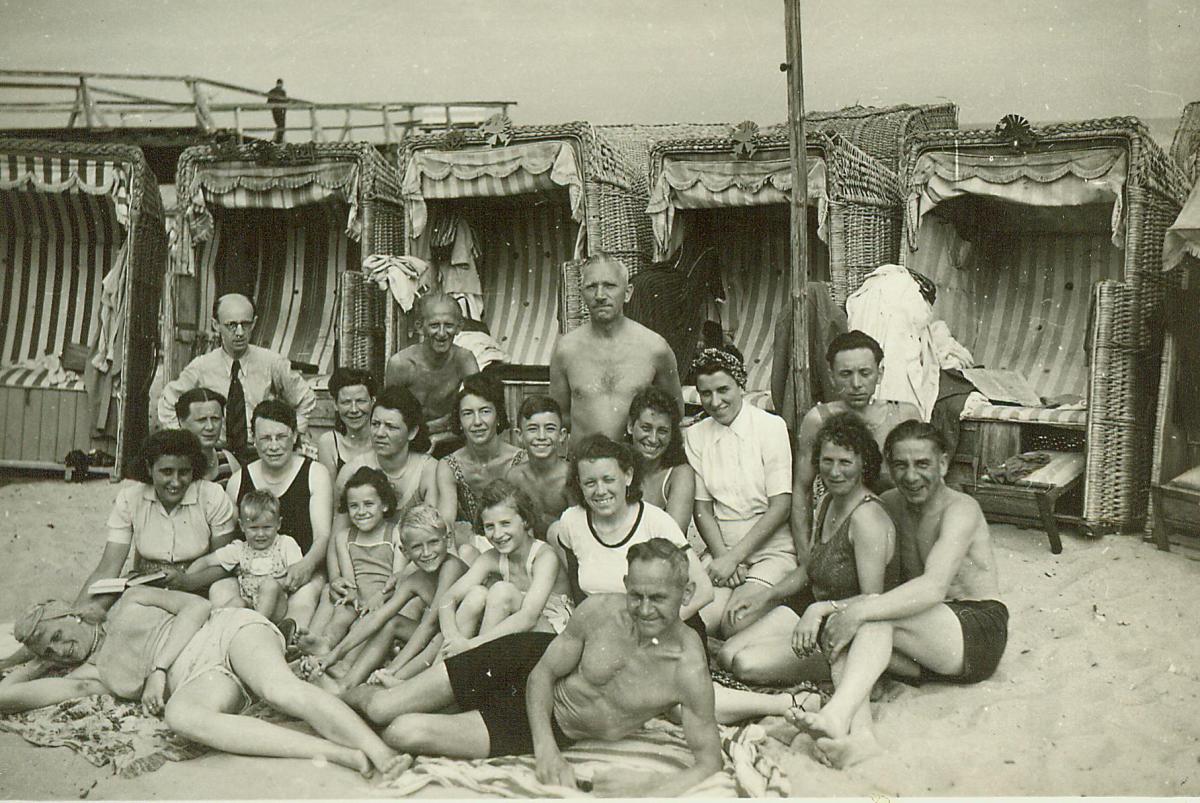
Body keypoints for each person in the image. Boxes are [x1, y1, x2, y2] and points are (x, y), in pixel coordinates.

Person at [346, 539, 723, 798]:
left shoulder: (687, 668)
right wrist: (545, 751)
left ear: (685, 595)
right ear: (625, 584)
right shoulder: (598, 612)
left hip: (556, 720)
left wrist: (646, 791)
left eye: (658, 598)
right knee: (381, 708)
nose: (643, 609)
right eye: (635, 595)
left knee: (402, 732)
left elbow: (709, 761)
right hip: (523, 660)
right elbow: (542, 674)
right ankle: (339, 695)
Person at [787, 420, 1007, 769]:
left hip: (975, 632)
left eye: (923, 464)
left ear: (944, 465)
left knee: (872, 616)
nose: (911, 475)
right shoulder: (889, 503)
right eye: (901, 465)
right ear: (889, 466)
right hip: (923, 647)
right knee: (850, 631)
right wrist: (841, 611)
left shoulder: (960, 509)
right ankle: (862, 740)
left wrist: (851, 609)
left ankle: (837, 714)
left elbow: (934, 587)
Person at [1, 590, 408, 778]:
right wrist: (36, 662)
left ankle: (380, 751)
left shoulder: (131, 602)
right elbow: (8, 697)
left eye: (57, 636)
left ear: (72, 616)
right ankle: (338, 753)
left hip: (226, 632)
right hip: (201, 677)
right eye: (50, 652)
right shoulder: (94, 675)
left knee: (278, 689)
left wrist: (158, 670)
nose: (61, 650)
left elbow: (198, 606)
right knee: (181, 715)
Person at [717, 414, 897, 685]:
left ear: (863, 465)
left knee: (744, 663)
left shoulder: (867, 518)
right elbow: (811, 568)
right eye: (827, 461)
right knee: (727, 653)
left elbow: (874, 599)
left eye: (845, 462)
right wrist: (766, 596)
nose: (835, 472)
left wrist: (820, 609)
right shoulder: (828, 501)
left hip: (848, 630)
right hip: (815, 614)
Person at [549, 434, 712, 633]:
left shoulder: (655, 522)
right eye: (590, 483)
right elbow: (578, 589)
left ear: (628, 476)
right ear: (579, 484)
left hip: (663, 629)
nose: (600, 491)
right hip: (608, 633)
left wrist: (645, 631)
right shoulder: (571, 522)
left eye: (608, 479)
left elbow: (704, 591)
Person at [685, 348, 796, 637]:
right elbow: (702, 510)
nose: (715, 402)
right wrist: (723, 557)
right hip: (721, 550)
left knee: (736, 621)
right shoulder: (696, 435)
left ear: (741, 385)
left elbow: (781, 506)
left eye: (723, 390)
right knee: (697, 622)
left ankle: (783, 621)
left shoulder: (771, 427)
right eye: (705, 393)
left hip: (771, 550)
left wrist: (735, 558)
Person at [304, 505, 467, 692]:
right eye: (416, 546)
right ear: (404, 551)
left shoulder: (450, 567)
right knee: (391, 622)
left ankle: (393, 678)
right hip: (433, 636)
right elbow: (377, 617)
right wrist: (333, 655)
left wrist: (393, 669)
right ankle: (345, 683)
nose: (427, 552)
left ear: (447, 540)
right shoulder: (414, 579)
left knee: (435, 637)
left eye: (433, 542)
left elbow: (430, 625)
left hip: (458, 637)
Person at [75, 430, 237, 616]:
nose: (175, 482)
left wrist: (187, 581)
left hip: (199, 581)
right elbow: (109, 566)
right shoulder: (130, 498)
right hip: (145, 581)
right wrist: (74, 613)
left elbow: (223, 563)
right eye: (166, 472)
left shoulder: (212, 496)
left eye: (184, 472)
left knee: (221, 601)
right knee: (91, 611)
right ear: (149, 468)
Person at [791, 330, 921, 555]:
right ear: (831, 376)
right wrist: (805, 553)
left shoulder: (903, 415)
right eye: (845, 374)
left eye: (865, 373)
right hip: (842, 531)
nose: (856, 383)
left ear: (879, 374)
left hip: (898, 530)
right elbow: (802, 489)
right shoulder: (819, 419)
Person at [158, 293, 317, 458]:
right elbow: (168, 401)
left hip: (262, 454)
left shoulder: (272, 362)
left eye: (245, 324)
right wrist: (183, 442)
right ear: (216, 325)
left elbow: (305, 398)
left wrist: (292, 434)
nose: (240, 332)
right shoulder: (202, 366)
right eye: (231, 325)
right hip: (218, 455)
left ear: (254, 323)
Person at [549, 253, 682, 445]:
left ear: (628, 293)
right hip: (585, 468)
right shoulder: (566, 350)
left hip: (637, 467)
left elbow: (674, 413)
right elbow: (559, 417)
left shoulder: (655, 348)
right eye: (591, 287)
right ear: (581, 293)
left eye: (610, 286)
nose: (600, 295)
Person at [225, 401, 332, 629]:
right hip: (252, 573)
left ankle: (287, 640)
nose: (273, 446)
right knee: (221, 592)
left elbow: (323, 536)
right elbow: (230, 539)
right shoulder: (238, 480)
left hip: (301, 569)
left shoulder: (315, 474)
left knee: (305, 599)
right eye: (265, 438)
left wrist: (306, 565)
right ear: (254, 439)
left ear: (294, 436)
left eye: (281, 437)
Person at [438, 480, 572, 659]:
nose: (498, 534)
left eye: (505, 523)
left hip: (554, 639)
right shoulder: (492, 557)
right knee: (476, 594)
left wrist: (470, 645)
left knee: (502, 591)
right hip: (516, 635)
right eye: (490, 526)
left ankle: (476, 666)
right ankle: (436, 673)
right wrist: (452, 636)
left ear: (524, 520)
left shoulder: (544, 556)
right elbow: (448, 598)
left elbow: (529, 616)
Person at [304, 467, 405, 661]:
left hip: (385, 598)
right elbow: (349, 579)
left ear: (384, 505)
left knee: (364, 626)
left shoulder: (395, 534)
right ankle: (325, 642)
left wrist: (379, 597)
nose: (361, 512)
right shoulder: (344, 538)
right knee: (341, 615)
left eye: (368, 504)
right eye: (354, 506)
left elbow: (398, 577)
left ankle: (340, 659)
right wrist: (351, 595)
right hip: (358, 596)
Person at [187, 490, 304, 634]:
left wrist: (278, 583)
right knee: (236, 603)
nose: (260, 534)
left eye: (267, 527)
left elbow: (296, 574)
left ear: (278, 524)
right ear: (242, 526)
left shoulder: (285, 544)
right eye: (253, 528)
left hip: (276, 606)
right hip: (249, 603)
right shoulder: (240, 549)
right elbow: (207, 561)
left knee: (269, 586)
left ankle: (258, 628)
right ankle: (214, 632)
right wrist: (186, 580)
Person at [436, 373, 526, 551]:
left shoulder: (521, 460)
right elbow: (446, 521)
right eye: (468, 413)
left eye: (485, 411)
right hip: (469, 549)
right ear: (460, 421)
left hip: (515, 547)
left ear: (498, 416)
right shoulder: (449, 465)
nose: (477, 422)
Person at [385, 293, 480, 457]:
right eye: (434, 325)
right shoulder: (401, 364)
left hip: (450, 440)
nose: (442, 333)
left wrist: (439, 437)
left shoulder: (464, 359)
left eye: (449, 325)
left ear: (459, 327)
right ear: (419, 326)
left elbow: (481, 406)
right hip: (408, 443)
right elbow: (389, 417)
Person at [333, 386, 440, 527]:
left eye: (390, 426)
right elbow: (337, 536)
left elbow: (433, 531)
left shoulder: (429, 470)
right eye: (375, 424)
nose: (380, 433)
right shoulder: (351, 471)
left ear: (412, 432)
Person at [626, 385, 695, 537]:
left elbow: (673, 540)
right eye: (646, 428)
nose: (653, 439)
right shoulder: (617, 466)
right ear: (631, 426)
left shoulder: (679, 474)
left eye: (662, 431)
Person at [504, 395, 571, 539]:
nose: (541, 436)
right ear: (519, 435)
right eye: (533, 429)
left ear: (562, 435)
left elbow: (580, 528)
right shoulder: (515, 477)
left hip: (566, 549)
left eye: (550, 428)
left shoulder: (570, 476)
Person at [316, 368, 377, 485]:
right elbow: (330, 496)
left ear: (373, 401)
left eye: (360, 401)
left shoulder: (382, 438)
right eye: (346, 402)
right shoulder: (329, 442)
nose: (354, 410)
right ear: (335, 405)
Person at [175, 387, 240, 485]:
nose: (210, 427)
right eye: (201, 420)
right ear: (182, 422)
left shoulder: (228, 460)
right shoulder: (172, 463)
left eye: (215, 419)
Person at [267, 78, 287, 143]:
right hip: (280, 111)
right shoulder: (282, 92)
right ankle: (278, 140)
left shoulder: (272, 91)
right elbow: (285, 102)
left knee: (279, 125)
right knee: (281, 125)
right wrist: (284, 112)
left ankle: (278, 140)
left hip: (275, 110)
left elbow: (268, 102)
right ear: (281, 84)